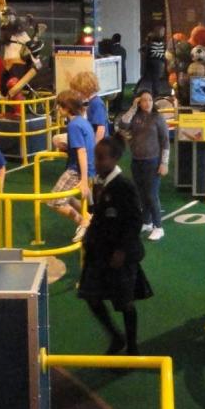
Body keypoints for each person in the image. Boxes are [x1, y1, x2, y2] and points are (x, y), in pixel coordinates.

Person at [78, 138, 152, 356]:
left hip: (119, 256)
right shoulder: (100, 182)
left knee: (125, 303)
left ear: (115, 158)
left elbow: (134, 221)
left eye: (102, 158)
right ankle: (116, 337)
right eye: (96, 157)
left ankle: (133, 347)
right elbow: (98, 213)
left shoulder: (123, 186)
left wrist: (121, 250)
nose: (97, 162)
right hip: (99, 253)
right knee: (92, 297)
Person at [119, 89, 169, 241]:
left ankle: (158, 227)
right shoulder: (136, 116)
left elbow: (165, 142)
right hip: (137, 161)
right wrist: (133, 107)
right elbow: (123, 124)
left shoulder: (158, 118)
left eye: (150, 100)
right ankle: (146, 222)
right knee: (142, 194)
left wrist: (164, 163)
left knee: (151, 195)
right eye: (143, 100)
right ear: (139, 102)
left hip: (152, 161)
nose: (147, 103)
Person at [48, 91, 93, 242]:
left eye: (60, 106)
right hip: (83, 168)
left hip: (77, 170)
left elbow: (82, 152)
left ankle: (83, 221)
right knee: (67, 197)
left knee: (54, 201)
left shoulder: (73, 125)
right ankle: (88, 217)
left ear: (67, 108)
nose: (58, 109)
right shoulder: (82, 121)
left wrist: (84, 180)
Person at [71, 71, 109, 144]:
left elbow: (101, 129)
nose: (76, 93)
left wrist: (95, 147)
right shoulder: (90, 102)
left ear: (84, 89)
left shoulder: (96, 103)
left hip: (98, 143)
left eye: (77, 90)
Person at [134, 24, 168, 98]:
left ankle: (137, 91)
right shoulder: (156, 41)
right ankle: (155, 95)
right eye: (162, 31)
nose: (163, 33)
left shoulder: (153, 40)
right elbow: (149, 51)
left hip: (153, 62)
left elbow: (144, 50)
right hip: (155, 62)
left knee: (149, 79)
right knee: (154, 80)